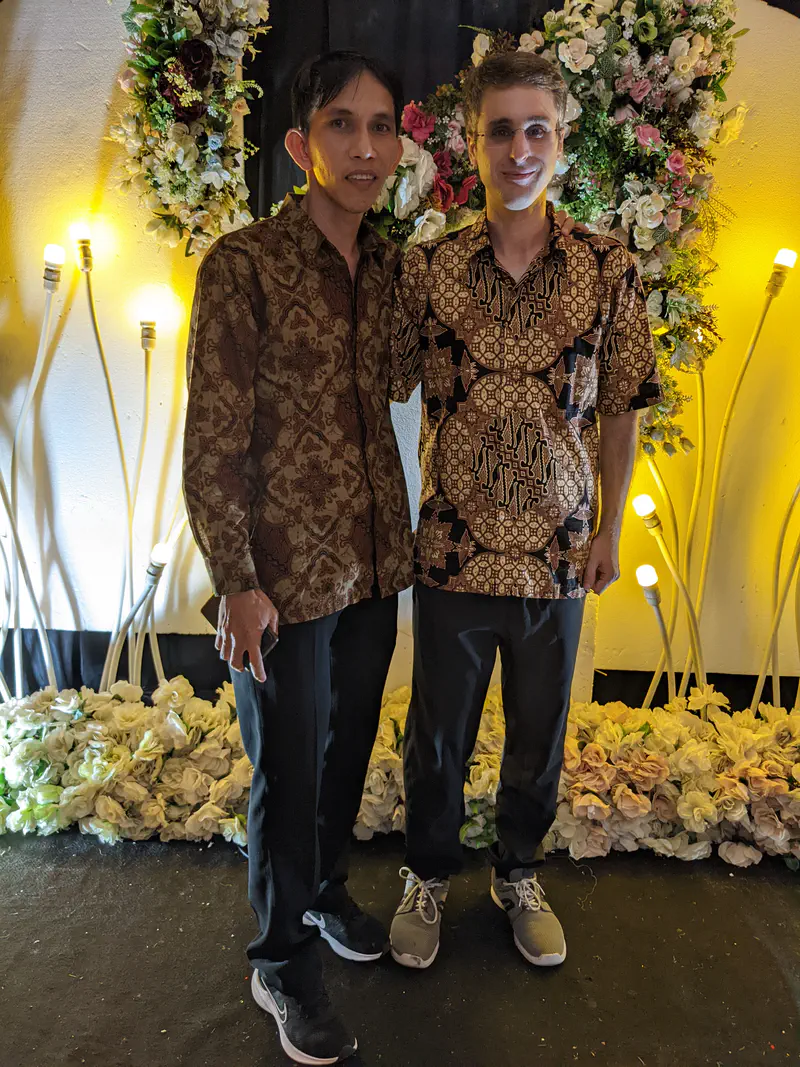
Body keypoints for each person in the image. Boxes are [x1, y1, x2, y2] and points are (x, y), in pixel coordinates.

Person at [388, 49, 663, 972]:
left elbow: (622, 405)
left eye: (535, 128)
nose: (518, 147)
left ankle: (517, 873)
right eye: (500, 128)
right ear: (473, 140)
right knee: (439, 735)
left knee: (538, 736)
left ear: (562, 140)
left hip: (558, 552)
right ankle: (427, 874)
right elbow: (377, 381)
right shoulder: (429, 270)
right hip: (456, 552)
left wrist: (611, 529)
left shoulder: (610, 267)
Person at [183, 51, 413, 1066]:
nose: (363, 147)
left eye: (379, 127)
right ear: (298, 144)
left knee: (345, 746)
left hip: (370, 563)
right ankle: (279, 958)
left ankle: (320, 894)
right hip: (280, 576)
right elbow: (213, 437)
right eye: (339, 125)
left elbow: (410, 377)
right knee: (285, 764)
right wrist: (235, 578)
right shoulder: (243, 264)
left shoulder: (393, 264)